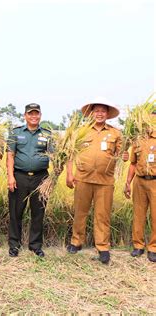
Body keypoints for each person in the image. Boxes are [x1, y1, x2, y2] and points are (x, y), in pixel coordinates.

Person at [66, 97, 123, 264]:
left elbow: (121, 155)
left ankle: (103, 247)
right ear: (91, 113)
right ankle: (76, 242)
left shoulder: (115, 133)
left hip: (105, 181)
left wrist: (124, 156)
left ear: (107, 114)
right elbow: (69, 153)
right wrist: (69, 174)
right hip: (83, 178)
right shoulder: (81, 131)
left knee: (102, 215)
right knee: (80, 212)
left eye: (102, 111)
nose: (99, 114)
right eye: (96, 111)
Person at [7, 103, 51, 258]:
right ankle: (14, 245)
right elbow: (10, 155)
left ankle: (35, 245)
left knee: (38, 212)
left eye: (36, 113)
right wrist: (10, 176)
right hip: (19, 177)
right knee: (16, 211)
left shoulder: (47, 134)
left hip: (41, 178)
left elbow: (55, 155)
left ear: (40, 115)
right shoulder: (16, 133)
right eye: (30, 113)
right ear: (25, 115)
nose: (33, 116)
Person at [124, 109, 156, 262]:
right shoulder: (138, 139)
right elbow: (133, 163)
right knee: (138, 215)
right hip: (140, 181)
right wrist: (128, 182)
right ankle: (138, 246)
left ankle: (153, 247)